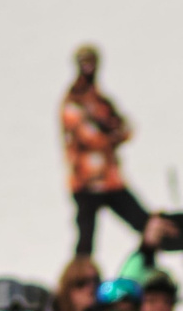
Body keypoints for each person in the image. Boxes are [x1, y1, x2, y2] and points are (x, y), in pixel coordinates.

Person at [62, 47, 153, 262]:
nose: (89, 67)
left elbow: (123, 127)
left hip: (110, 180)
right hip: (86, 181)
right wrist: (110, 136)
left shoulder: (100, 100)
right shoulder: (74, 100)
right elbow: (88, 136)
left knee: (144, 223)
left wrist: (112, 134)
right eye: (85, 63)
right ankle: (81, 280)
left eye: (92, 62)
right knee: (86, 239)